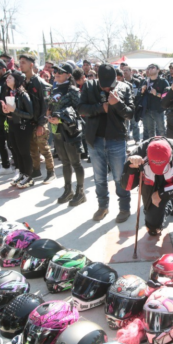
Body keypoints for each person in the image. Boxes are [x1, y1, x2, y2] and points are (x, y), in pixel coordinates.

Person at [79, 64, 133, 223]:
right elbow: (80, 108)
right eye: (103, 86)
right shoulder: (89, 86)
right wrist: (101, 107)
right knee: (99, 178)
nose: (106, 89)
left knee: (119, 177)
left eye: (109, 86)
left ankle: (124, 208)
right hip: (94, 139)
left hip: (116, 139)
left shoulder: (124, 88)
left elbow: (130, 113)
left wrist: (117, 103)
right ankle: (103, 206)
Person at [124, 137, 173, 239]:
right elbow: (127, 186)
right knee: (153, 230)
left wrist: (162, 193)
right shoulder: (137, 154)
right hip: (153, 186)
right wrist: (131, 168)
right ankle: (168, 204)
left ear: (171, 155)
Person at [49, 62, 85, 206]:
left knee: (75, 163)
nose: (56, 73)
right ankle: (68, 190)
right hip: (56, 130)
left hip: (70, 131)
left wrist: (62, 118)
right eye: (56, 70)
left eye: (60, 71)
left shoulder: (73, 91)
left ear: (68, 75)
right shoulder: (55, 88)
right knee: (65, 163)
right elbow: (52, 104)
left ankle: (80, 192)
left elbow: (79, 112)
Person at [19, 55, 53, 182]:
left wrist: (41, 124)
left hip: (39, 122)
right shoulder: (23, 82)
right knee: (32, 149)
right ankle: (36, 171)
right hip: (29, 122)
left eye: (23, 63)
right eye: (20, 63)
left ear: (31, 65)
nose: (21, 65)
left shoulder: (40, 83)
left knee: (44, 148)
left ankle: (51, 172)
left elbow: (45, 106)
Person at [1, 72, 35, 189]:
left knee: (24, 152)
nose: (7, 79)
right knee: (15, 150)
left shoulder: (23, 94)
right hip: (12, 124)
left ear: (17, 80)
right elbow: (11, 111)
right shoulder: (8, 93)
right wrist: (6, 111)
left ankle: (29, 176)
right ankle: (21, 173)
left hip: (23, 126)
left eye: (10, 77)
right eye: (7, 78)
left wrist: (14, 110)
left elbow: (30, 114)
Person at [139, 64, 169, 140]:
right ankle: (151, 148)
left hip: (158, 110)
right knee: (149, 132)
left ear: (158, 70)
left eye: (152, 67)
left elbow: (168, 96)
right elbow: (140, 95)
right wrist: (142, 91)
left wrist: (157, 94)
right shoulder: (145, 81)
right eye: (149, 67)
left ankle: (163, 147)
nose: (150, 69)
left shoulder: (163, 81)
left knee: (161, 131)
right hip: (147, 110)